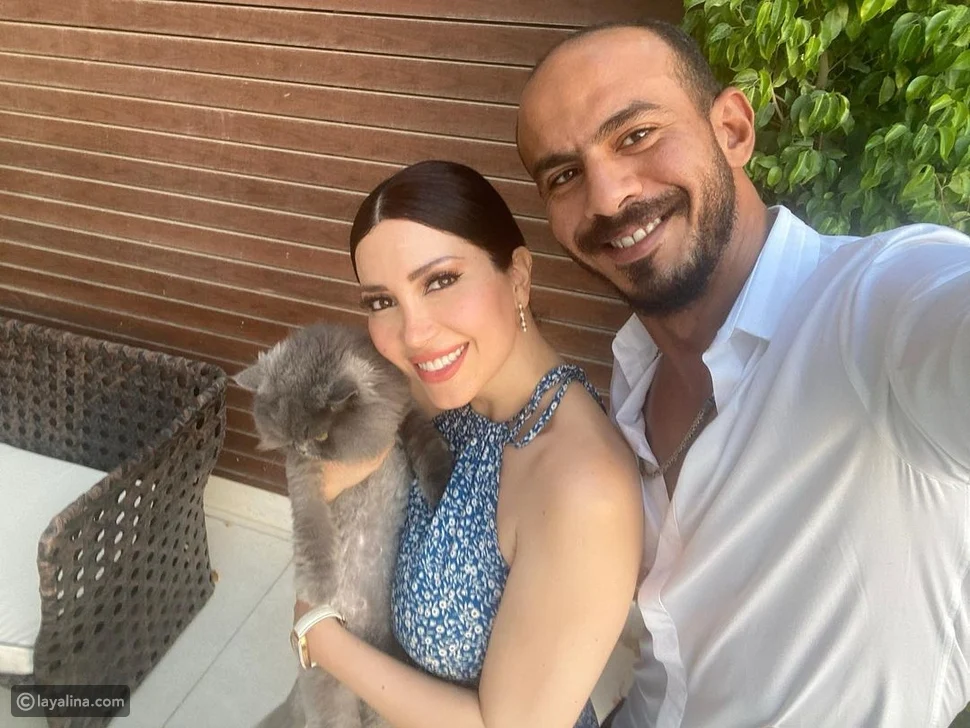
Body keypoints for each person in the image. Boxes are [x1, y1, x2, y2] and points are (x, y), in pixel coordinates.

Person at [515, 18, 970, 728]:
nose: (606, 197)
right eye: (564, 175)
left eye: (636, 135)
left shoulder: (874, 307)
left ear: (732, 129)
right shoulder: (632, 377)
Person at [290, 160, 644, 728]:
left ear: (518, 277)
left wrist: (321, 637)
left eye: (440, 281)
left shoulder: (583, 488)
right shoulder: (453, 391)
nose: (414, 333)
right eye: (381, 301)